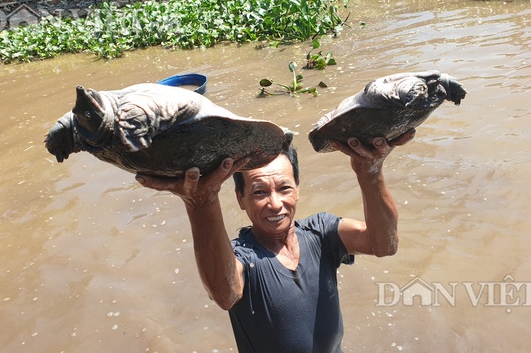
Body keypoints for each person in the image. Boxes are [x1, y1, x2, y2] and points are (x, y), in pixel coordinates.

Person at [135, 128, 416, 352]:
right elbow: (225, 293)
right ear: (240, 199)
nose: (275, 204)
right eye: (259, 192)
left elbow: (385, 244)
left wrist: (370, 169)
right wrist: (200, 202)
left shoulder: (321, 233)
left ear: (297, 189)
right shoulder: (243, 257)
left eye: (284, 188)